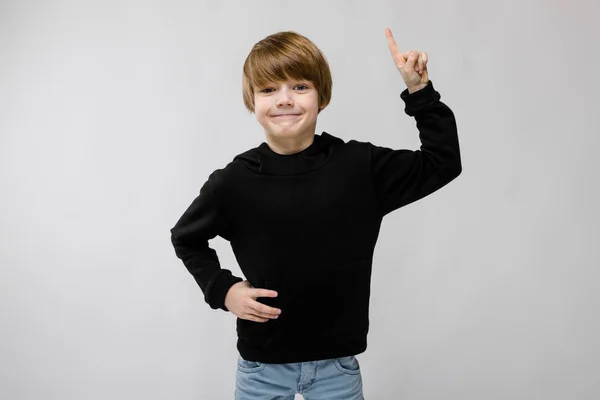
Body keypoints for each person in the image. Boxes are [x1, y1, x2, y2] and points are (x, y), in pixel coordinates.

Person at [170, 27, 461, 400]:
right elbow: (186, 237)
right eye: (269, 89)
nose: (284, 99)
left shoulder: (360, 168)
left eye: (300, 87)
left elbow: (442, 162)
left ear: (321, 96)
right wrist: (224, 290)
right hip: (262, 368)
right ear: (252, 101)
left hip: (336, 367)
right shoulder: (234, 181)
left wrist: (421, 94)